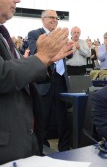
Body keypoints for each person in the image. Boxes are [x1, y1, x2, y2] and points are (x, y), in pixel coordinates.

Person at [0, 0, 73, 164]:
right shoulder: (34, 34)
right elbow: (3, 75)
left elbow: (16, 68)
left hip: (23, 142)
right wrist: (41, 57)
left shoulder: (2, 34)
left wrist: (47, 60)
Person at [28, 9, 72, 152]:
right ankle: (42, 149)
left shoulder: (61, 36)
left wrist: (70, 49)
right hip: (44, 82)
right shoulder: (35, 34)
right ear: (43, 19)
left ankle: (64, 148)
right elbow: (36, 53)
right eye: (51, 17)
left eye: (56, 18)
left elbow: (67, 57)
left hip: (61, 81)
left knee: (63, 119)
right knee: (43, 119)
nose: (55, 20)